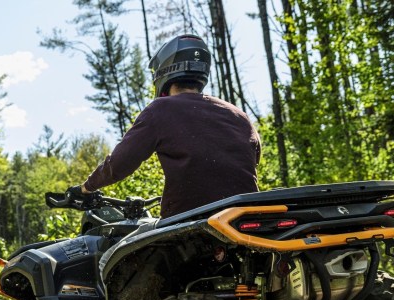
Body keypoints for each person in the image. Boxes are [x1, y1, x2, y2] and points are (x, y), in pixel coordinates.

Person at [69, 34, 261, 219]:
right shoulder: (239, 115)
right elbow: (251, 160)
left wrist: (87, 188)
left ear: (164, 72)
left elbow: (119, 164)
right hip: (246, 219)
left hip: (189, 224)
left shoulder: (161, 109)